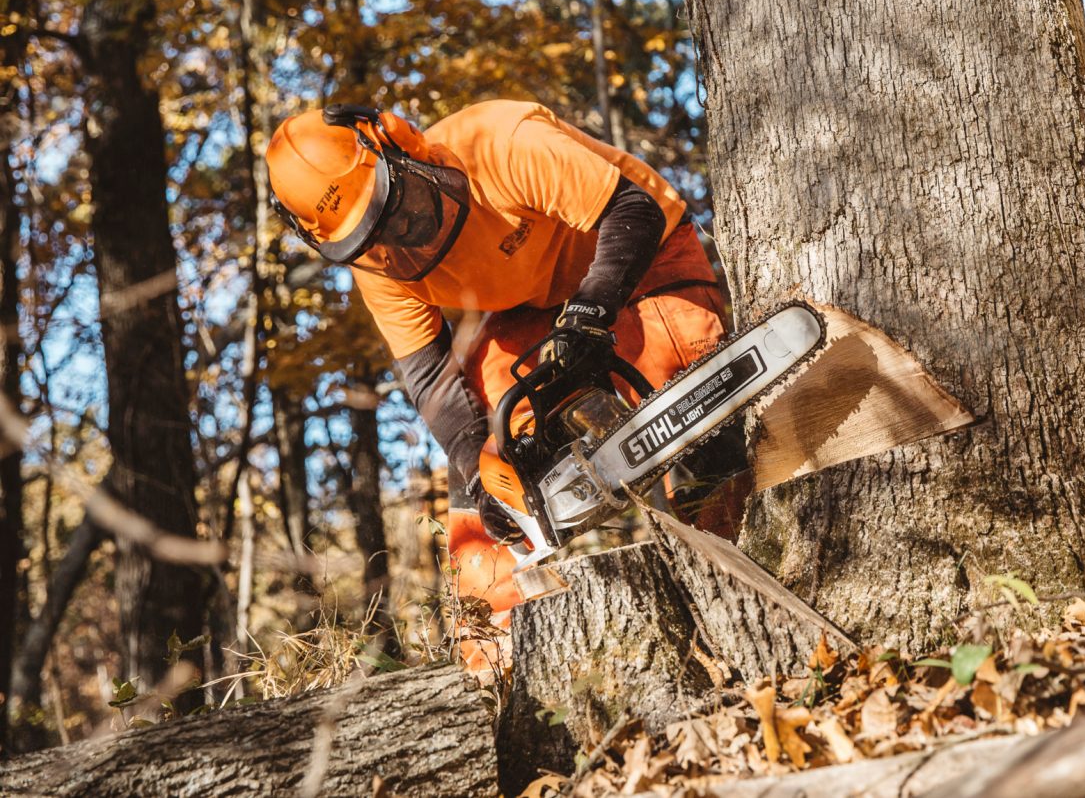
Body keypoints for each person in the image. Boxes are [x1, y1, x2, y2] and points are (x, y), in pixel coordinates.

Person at [264, 99, 747, 644]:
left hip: (639, 261)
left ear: (402, 146)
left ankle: (742, 553)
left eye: (395, 204)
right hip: (535, 308)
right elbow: (430, 376)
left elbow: (634, 210)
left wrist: (589, 314)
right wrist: (479, 475)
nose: (400, 230)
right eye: (375, 235)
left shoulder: (500, 143)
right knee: (489, 442)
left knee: (687, 392)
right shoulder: (381, 268)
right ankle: (496, 640)